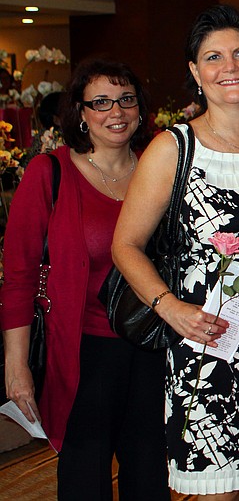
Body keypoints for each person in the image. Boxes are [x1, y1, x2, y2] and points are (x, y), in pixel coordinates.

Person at [112, 4, 239, 500]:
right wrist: (171, 310)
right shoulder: (173, 148)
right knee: (217, 492)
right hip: (208, 349)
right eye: (213, 57)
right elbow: (125, 245)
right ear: (194, 72)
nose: (228, 67)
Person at [1, 59, 168, 500]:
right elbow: (18, 277)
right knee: (85, 477)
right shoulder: (49, 173)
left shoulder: (160, 169)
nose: (116, 112)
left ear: (140, 109)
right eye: (101, 102)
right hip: (81, 351)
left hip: (154, 348)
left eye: (126, 100)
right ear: (80, 111)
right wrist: (16, 367)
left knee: (150, 474)